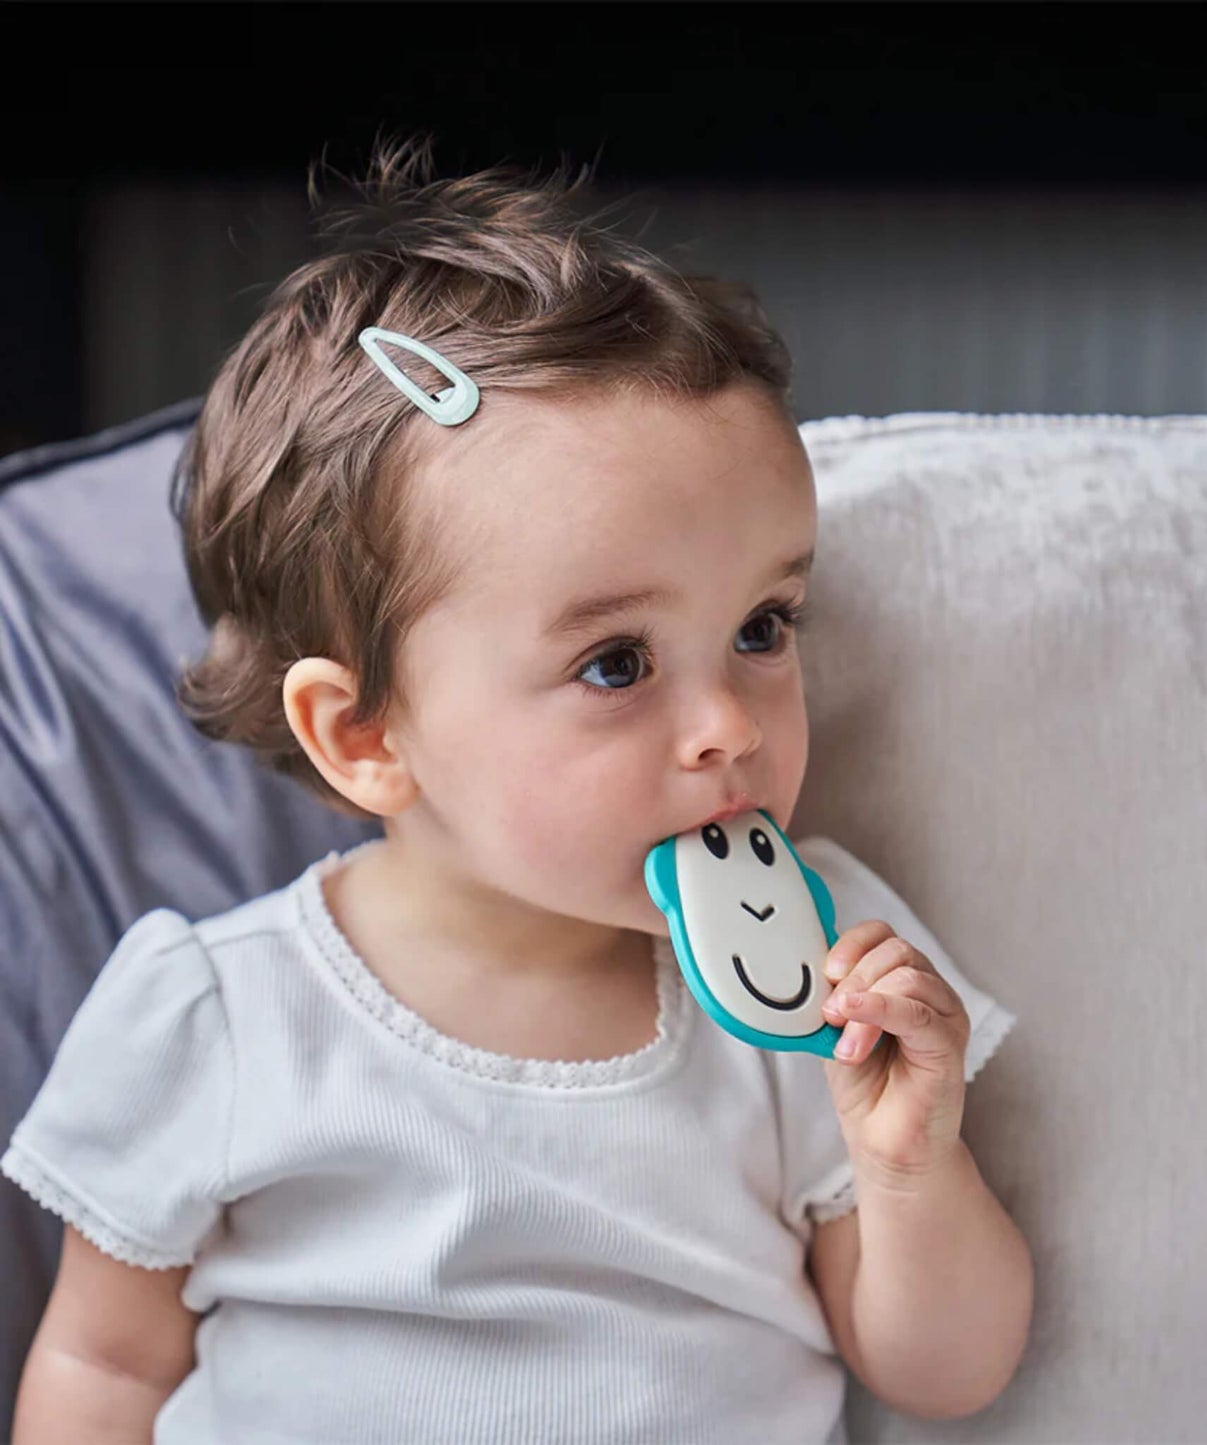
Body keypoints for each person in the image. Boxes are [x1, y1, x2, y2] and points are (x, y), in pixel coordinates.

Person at [3, 133, 1032, 1444]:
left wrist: (910, 1166)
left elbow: (945, 1373)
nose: (725, 725)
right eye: (616, 663)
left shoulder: (816, 976)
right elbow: (100, 1369)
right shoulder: (217, 1015)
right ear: (367, 731)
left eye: (763, 626)